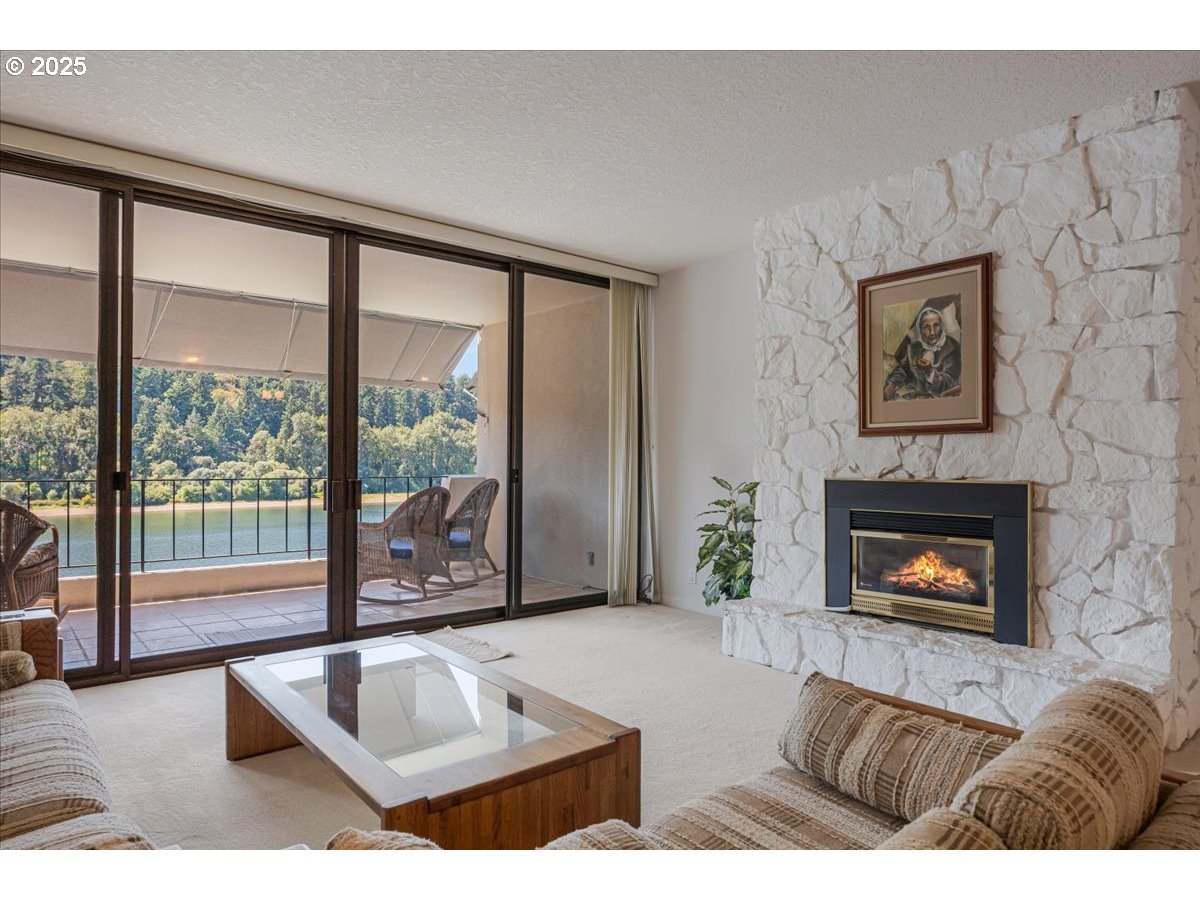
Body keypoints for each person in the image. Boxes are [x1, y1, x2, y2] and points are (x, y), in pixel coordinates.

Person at [882, 305, 961, 401]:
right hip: (914, 396)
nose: (932, 332)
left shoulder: (952, 347)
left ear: (942, 326)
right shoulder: (915, 347)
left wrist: (930, 371)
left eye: (936, 325)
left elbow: (951, 383)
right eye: (926, 327)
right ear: (920, 330)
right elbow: (904, 369)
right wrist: (892, 384)